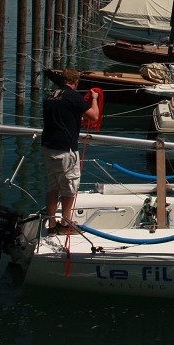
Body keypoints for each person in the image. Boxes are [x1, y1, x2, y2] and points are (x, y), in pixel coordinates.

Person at [42, 69, 100, 235]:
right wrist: (94, 99)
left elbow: (60, 117)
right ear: (75, 82)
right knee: (69, 187)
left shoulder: (51, 96)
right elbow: (94, 116)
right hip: (65, 150)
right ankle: (66, 222)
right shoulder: (73, 96)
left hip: (48, 147)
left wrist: (76, 121)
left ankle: (51, 223)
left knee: (52, 186)